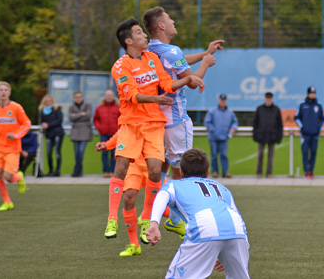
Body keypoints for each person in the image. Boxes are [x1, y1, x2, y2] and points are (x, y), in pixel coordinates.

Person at [104, 18, 204, 251]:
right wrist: (156, 99)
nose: (144, 36)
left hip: (154, 124)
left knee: (156, 172)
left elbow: (167, 83)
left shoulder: (152, 58)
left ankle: (147, 216)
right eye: (139, 33)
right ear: (129, 41)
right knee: (120, 167)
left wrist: (188, 79)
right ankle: (112, 218)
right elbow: (132, 95)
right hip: (131, 124)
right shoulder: (120, 66)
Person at [142, 6, 220, 235]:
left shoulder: (152, 50)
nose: (173, 20)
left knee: (163, 170)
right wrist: (206, 64)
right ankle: (176, 218)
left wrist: (205, 53)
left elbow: (180, 60)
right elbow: (192, 82)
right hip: (176, 120)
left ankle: (150, 215)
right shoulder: (171, 51)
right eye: (169, 18)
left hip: (158, 120)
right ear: (161, 26)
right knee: (183, 173)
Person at [146, 148, 250, 279]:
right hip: (237, 231)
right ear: (207, 172)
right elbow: (238, 218)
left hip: (204, 227)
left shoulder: (175, 184)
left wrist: (154, 223)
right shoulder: (222, 188)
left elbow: (162, 195)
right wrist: (230, 253)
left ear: (181, 172)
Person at [96, 132, 172, 256]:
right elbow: (123, 131)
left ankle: (180, 224)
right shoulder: (132, 115)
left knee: (163, 206)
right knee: (128, 199)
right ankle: (134, 245)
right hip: (133, 164)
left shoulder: (157, 114)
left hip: (153, 165)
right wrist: (107, 145)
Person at [0, 81, 31, 211]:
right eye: (0, 90)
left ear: (9, 93)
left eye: (5, 90)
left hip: (12, 148)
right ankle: (7, 202)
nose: (3, 92)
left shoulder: (16, 108)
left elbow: (27, 124)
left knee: (8, 177)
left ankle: (19, 177)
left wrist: (16, 135)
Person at [294, 86, 324, 179]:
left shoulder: (318, 105)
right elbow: (297, 118)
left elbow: (323, 119)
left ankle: (311, 170)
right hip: (305, 134)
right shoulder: (302, 105)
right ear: (308, 94)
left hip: (315, 134)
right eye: (311, 93)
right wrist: (302, 127)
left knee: (314, 152)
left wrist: (318, 127)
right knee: (305, 152)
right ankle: (306, 170)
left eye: (314, 93)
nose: (312, 95)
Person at [205, 94, 238, 178]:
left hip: (224, 138)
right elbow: (207, 122)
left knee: (224, 155)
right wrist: (213, 130)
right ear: (219, 100)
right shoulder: (212, 111)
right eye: (221, 100)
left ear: (226, 101)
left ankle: (225, 172)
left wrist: (233, 128)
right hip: (213, 138)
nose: (223, 102)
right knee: (214, 156)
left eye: (224, 100)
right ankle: (215, 171)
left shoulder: (230, 112)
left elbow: (235, 122)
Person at [252, 92, 283, 178]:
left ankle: (269, 173)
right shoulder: (260, 109)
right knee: (260, 155)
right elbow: (255, 123)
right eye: (267, 98)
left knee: (271, 156)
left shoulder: (276, 109)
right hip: (261, 136)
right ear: (265, 98)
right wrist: (255, 134)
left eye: (270, 98)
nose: (268, 100)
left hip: (272, 136)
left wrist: (279, 136)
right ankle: (259, 172)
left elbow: (280, 125)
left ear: (272, 99)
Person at [93, 90, 120, 177]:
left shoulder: (118, 107)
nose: (109, 97)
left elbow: (121, 118)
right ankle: (106, 171)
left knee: (114, 153)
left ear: (113, 96)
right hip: (104, 133)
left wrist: (118, 129)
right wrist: (99, 128)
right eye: (107, 95)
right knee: (104, 153)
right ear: (105, 96)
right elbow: (96, 119)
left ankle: (112, 171)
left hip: (115, 133)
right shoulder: (99, 108)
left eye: (110, 95)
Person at [39, 95, 64, 176]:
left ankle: (57, 171)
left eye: (50, 101)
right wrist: (43, 124)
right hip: (49, 134)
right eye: (46, 101)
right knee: (49, 152)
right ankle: (50, 170)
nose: (48, 102)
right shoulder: (42, 111)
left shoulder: (57, 109)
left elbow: (59, 120)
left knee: (57, 151)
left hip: (57, 133)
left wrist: (48, 125)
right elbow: (41, 121)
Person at [69, 91, 93, 177]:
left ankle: (77, 170)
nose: (78, 98)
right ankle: (78, 170)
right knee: (76, 153)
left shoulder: (88, 105)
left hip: (85, 131)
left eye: (79, 97)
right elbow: (71, 118)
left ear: (82, 97)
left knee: (81, 151)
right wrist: (80, 114)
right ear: (74, 98)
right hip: (75, 132)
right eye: (76, 97)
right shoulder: (71, 107)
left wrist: (76, 115)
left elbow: (88, 115)